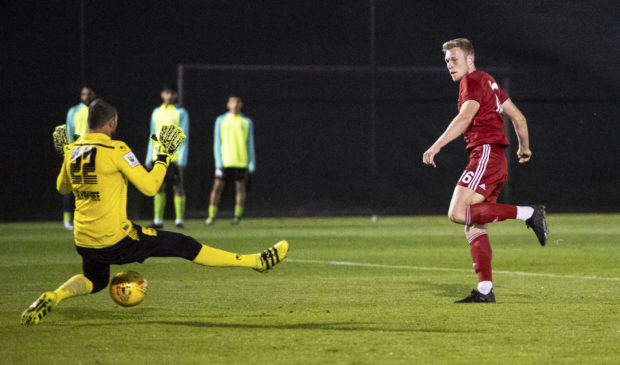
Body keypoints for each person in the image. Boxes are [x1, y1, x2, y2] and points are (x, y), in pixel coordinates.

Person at [21, 99, 287, 326]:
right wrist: (164, 156)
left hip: (83, 239)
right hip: (115, 239)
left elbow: (61, 187)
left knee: (96, 280)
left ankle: (55, 295)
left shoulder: (72, 151)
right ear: (112, 122)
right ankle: (256, 261)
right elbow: (150, 187)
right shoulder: (117, 149)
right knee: (185, 244)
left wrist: (65, 155)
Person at [422, 38, 548, 303]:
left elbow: (465, 117)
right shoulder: (491, 83)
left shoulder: (473, 81)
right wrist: (525, 149)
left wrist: (436, 146)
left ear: (470, 58)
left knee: (457, 213)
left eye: (454, 59)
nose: (450, 65)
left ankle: (529, 213)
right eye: (446, 61)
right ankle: (484, 291)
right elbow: (519, 118)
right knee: (473, 225)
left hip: (486, 155)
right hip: (494, 158)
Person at [205, 96, 255, 225]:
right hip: (225, 161)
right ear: (228, 104)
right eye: (233, 102)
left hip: (241, 161)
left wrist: (251, 163)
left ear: (241, 104)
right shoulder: (221, 120)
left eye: (238, 101)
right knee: (217, 187)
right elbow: (217, 142)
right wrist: (218, 162)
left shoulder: (246, 121)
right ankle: (211, 216)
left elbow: (250, 144)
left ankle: (237, 216)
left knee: (240, 188)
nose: (235, 104)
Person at [145, 84, 189, 229]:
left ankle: (179, 220)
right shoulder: (156, 112)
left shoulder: (181, 113)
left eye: (171, 93)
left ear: (175, 95)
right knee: (159, 187)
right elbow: (152, 134)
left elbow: (184, 136)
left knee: (178, 187)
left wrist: (182, 158)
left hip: (174, 156)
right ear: (162, 94)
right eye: (166, 93)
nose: (168, 96)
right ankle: (158, 220)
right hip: (157, 155)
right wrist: (148, 157)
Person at [62, 86, 96, 230]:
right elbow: (69, 131)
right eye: (83, 94)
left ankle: (87, 218)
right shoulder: (73, 111)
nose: (86, 96)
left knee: (90, 188)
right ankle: (67, 219)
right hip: (77, 151)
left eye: (88, 94)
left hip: (92, 152)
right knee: (72, 187)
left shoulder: (96, 111)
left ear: (93, 95)